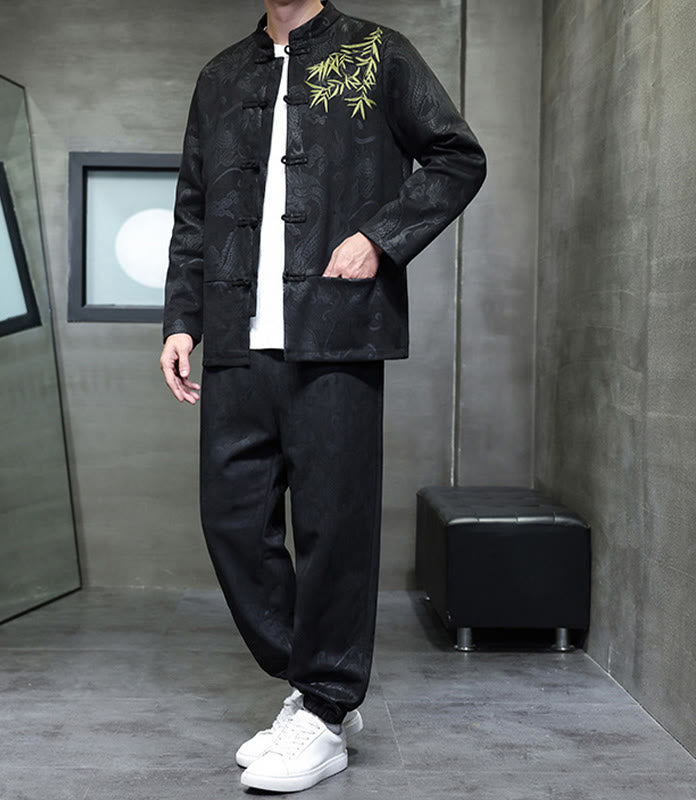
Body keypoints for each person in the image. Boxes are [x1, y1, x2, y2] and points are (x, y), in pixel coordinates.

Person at [160, 0, 486, 791]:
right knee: (232, 520)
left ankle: (325, 712)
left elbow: (457, 156)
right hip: (237, 338)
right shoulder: (220, 76)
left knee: (333, 527)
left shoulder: (377, 53)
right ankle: (319, 684)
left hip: (337, 332)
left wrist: (381, 237)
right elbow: (194, 208)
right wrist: (181, 320)